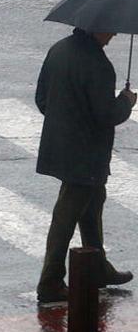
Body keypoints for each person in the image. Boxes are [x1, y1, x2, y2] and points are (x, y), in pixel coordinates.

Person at [35, 27, 136, 303]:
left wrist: (65, 117)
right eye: (110, 31)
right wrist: (126, 102)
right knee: (67, 215)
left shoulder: (59, 50)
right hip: (86, 153)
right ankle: (50, 281)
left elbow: (42, 99)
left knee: (92, 204)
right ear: (96, 29)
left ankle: (97, 267)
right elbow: (107, 115)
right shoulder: (98, 65)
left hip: (61, 144)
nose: (113, 35)